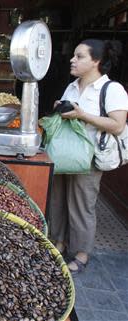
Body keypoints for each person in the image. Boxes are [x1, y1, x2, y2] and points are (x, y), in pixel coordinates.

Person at [50, 39, 128, 274]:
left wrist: (82, 114)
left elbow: (117, 124)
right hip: (66, 154)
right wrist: (61, 108)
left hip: (90, 158)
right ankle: (59, 243)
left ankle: (82, 254)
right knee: (58, 200)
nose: (72, 60)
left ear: (97, 61)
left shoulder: (111, 89)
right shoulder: (73, 86)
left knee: (82, 205)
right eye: (74, 55)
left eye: (80, 56)